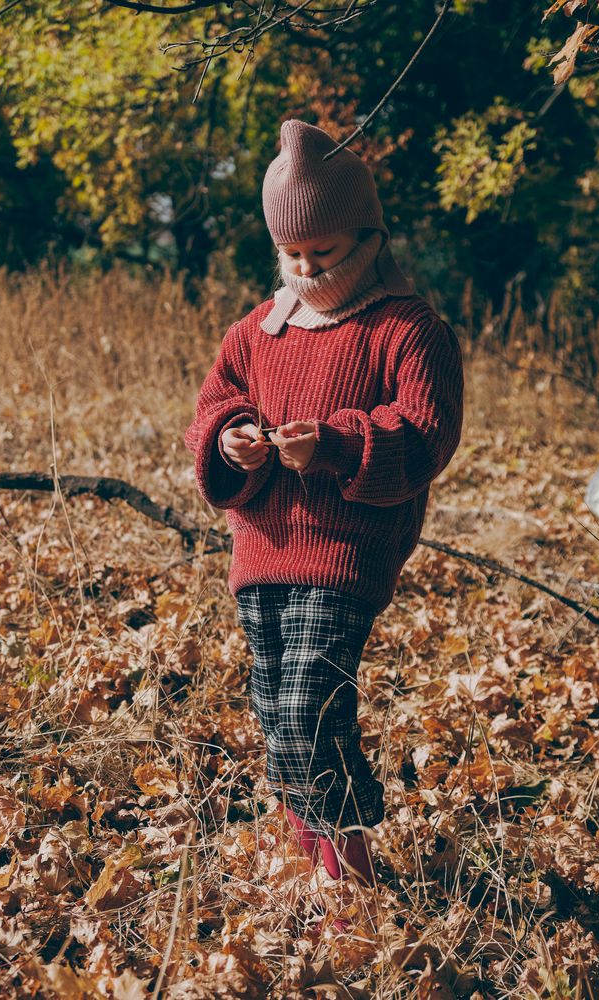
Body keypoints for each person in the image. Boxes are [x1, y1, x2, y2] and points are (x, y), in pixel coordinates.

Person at [184, 119, 464, 925]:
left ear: (371, 238)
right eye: (293, 257)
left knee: (310, 709)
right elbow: (214, 405)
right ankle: (312, 859)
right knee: (277, 716)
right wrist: (232, 436)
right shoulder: (258, 328)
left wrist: (337, 444)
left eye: (325, 254)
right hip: (260, 551)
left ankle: (353, 887)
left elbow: (423, 435)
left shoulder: (408, 328)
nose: (307, 272)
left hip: (344, 552)